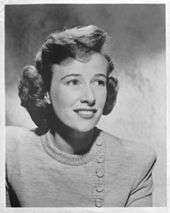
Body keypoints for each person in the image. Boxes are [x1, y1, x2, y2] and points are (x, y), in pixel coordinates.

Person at [6, 25, 157, 207]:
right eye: (73, 82)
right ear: (45, 91)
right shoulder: (9, 150)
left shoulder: (137, 162)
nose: (90, 97)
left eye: (99, 82)